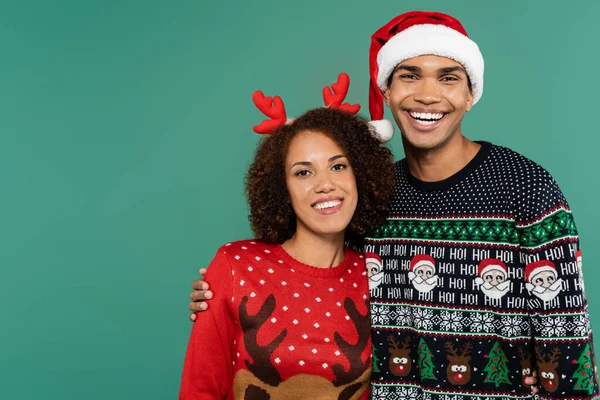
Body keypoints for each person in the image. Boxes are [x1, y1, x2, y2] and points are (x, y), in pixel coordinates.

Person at [188, 10, 598, 400]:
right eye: (410, 76)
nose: (427, 94)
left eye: (449, 78)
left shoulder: (525, 187)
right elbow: (312, 272)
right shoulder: (375, 195)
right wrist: (221, 295)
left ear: (471, 94)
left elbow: (566, 338)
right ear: (387, 90)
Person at [179, 73, 395, 399]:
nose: (325, 184)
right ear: (283, 189)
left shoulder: (378, 275)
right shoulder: (235, 267)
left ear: (360, 176)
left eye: (338, 166)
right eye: (303, 172)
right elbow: (199, 389)